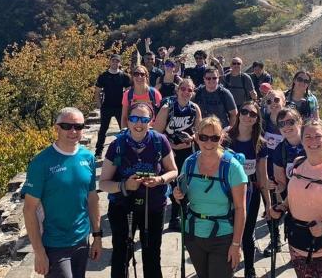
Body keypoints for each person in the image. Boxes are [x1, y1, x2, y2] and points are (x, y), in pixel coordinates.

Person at [267, 119, 322, 278]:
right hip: (298, 246)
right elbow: (294, 195)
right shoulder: (298, 164)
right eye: (308, 137)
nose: (313, 141)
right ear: (301, 138)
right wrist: (283, 206)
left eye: (317, 136)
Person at [99, 103, 178, 278]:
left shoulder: (159, 141)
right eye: (134, 118)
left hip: (153, 207)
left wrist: (159, 180)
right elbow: (103, 183)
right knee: (121, 255)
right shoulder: (117, 145)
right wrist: (124, 185)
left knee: (151, 256)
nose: (139, 124)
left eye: (144, 119)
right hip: (122, 207)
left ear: (151, 121)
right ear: (128, 120)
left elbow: (173, 170)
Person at [22, 107, 102, 278]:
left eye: (78, 126)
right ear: (56, 128)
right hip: (54, 244)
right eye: (66, 126)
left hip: (82, 239)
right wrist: (39, 252)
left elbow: (92, 198)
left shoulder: (88, 158)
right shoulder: (41, 163)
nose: (73, 131)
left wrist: (97, 236)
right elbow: (29, 210)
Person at [173, 117, 247, 278]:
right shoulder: (189, 163)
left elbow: (241, 209)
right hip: (194, 235)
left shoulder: (233, 167)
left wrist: (236, 244)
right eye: (203, 137)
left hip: (223, 237)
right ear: (196, 137)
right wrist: (177, 195)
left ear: (221, 138)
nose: (208, 142)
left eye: (214, 138)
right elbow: (182, 195)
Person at [153, 78, 202, 230]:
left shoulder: (194, 109)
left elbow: (199, 133)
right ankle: (168, 216)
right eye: (183, 89)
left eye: (189, 90)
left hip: (186, 151)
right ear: (177, 90)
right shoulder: (168, 107)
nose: (186, 92)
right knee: (170, 184)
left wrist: (192, 138)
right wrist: (169, 147)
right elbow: (157, 133)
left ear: (193, 92)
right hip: (169, 152)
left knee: (183, 183)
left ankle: (177, 216)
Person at [227, 101, 266, 278]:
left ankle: (249, 269)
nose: (247, 116)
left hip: (250, 190)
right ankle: (227, 267)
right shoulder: (226, 137)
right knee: (228, 230)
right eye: (244, 112)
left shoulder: (260, 142)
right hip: (227, 190)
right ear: (239, 113)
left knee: (247, 232)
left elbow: (262, 175)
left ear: (257, 119)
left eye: (253, 114)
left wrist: (270, 203)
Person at [258, 90, 286, 257]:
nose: (273, 103)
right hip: (268, 173)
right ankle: (275, 240)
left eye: (276, 99)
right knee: (271, 206)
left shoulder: (290, 122)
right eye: (269, 101)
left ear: (283, 101)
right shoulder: (262, 124)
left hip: (288, 173)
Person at [94, 54, 132, 158]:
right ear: (110, 62)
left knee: (124, 129)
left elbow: (129, 92)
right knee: (103, 130)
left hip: (120, 107)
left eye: (117, 61)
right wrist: (99, 105)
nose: (115, 63)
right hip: (106, 107)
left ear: (120, 63)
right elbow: (97, 91)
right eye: (113, 60)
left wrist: (128, 107)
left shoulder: (124, 76)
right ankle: (98, 152)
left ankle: (127, 150)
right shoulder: (103, 76)